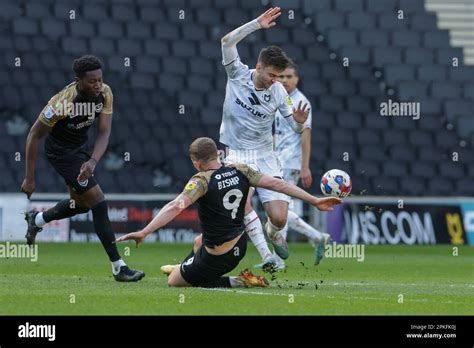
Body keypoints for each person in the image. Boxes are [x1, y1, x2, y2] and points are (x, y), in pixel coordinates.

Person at [116, 137, 341, 288]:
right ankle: (187, 267)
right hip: (240, 245)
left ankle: (239, 281)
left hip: (219, 257)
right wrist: (314, 200)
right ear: (218, 155)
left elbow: (175, 206)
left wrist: (144, 231)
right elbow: (279, 185)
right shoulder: (240, 170)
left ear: (196, 163)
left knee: (173, 282)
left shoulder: (201, 181)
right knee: (198, 242)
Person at [20, 55, 144, 282]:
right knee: (98, 201)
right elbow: (34, 135)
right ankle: (119, 267)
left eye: (100, 79)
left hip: (81, 150)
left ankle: (37, 220)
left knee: (81, 205)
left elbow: (104, 132)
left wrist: (92, 161)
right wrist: (29, 177)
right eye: (92, 81)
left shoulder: (105, 92)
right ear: (78, 81)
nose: (98, 85)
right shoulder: (62, 102)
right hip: (60, 152)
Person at [219, 7, 310, 270]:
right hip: (237, 153)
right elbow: (226, 41)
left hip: (266, 155)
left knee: (279, 218)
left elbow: (293, 128)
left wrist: (298, 123)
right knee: (243, 203)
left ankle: (273, 233)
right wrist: (256, 24)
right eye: (271, 74)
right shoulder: (237, 74)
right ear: (258, 67)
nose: (274, 80)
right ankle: (265, 256)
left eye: (279, 76)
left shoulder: (280, 92)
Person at [271, 62, 331, 270]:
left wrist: (305, 166)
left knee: (279, 207)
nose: (285, 80)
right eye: (282, 77)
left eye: (289, 77)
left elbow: (306, 136)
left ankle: (277, 261)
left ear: (297, 79)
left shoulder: (301, 102)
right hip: (276, 160)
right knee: (280, 208)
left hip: (290, 162)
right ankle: (317, 236)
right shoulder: (279, 98)